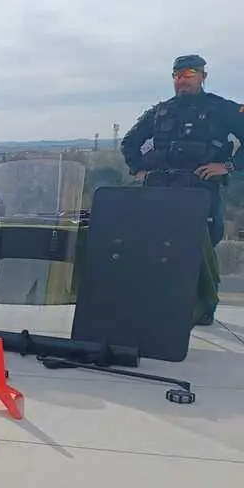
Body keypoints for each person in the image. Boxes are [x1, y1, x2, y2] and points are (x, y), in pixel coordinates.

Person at [120, 54, 244, 325]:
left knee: (202, 251)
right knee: (159, 250)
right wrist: (139, 171)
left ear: (203, 76)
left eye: (188, 74)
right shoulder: (160, 111)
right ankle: (163, 305)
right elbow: (129, 142)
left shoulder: (222, 109)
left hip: (201, 191)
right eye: (177, 75)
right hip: (162, 191)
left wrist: (228, 166)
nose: (182, 80)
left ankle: (201, 307)